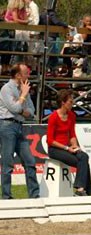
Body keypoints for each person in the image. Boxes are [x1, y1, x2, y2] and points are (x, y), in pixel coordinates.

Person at [0, 63, 40, 199]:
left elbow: (32, 111)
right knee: (8, 163)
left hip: (19, 126)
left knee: (30, 161)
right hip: (7, 126)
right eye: (25, 73)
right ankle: (6, 196)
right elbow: (15, 108)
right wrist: (23, 96)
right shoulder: (6, 89)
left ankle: (34, 196)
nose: (28, 75)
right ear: (17, 75)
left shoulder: (23, 89)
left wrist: (22, 104)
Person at [46, 89, 91, 196]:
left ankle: (81, 189)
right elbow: (50, 140)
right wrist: (67, 148)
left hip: (68, 147)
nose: (72, 104)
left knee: (84, 157)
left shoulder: (71, 115)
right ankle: (84, 191)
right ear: (63, 102)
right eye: (70, 102)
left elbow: (72, 134)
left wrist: (75, 146)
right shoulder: (53, 117)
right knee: (83, 163)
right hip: (55, 149)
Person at [39, 0, 73, 74]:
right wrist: (67, 25)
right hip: (50, 36)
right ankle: (45, 70)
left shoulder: (43, 14)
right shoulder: (51, 14)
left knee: (54, 55)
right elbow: (56, 21)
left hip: (47, 36)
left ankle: (51, 69)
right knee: (48, 54)